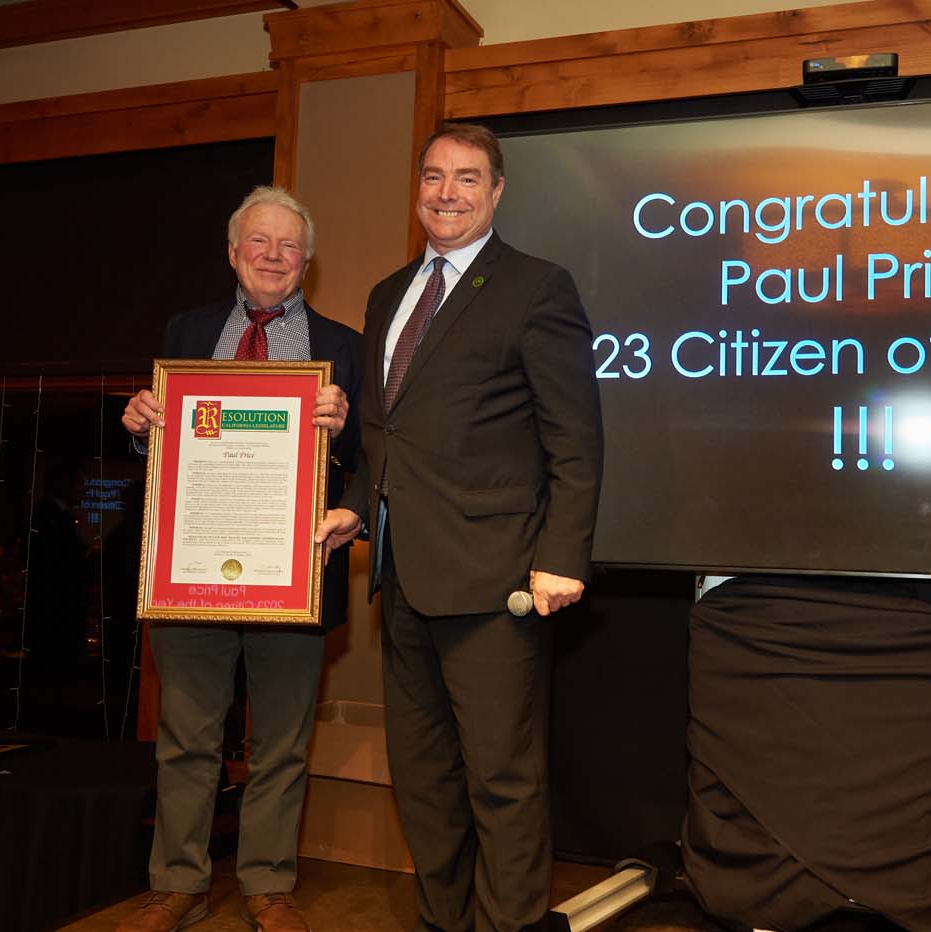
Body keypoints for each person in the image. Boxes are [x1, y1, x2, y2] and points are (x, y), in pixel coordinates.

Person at [315, 123, 603, 932]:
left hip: (498, 579)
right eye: (434, 177)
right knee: (425, 778)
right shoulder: (386, 293)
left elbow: (575, 439)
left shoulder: (536, 287)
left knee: (502, 780)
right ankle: (444, 922)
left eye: (467, 178)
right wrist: (356, 504)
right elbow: (387, 431)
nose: (447, 193)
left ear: (497, 191)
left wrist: (561, 557)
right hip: (402, 578)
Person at [119, 186, 360, 932]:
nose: (275, 256)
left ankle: (267, 886)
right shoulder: (186, 330)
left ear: (308, 261)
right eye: (260, 242)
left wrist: (346, 429)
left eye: (290, 246)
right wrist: (138, 425)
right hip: (191, 572)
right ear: (233, 252)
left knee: (282, 744)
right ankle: (177, 883)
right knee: (187, 738)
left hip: (294, 574)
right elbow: (168, 444)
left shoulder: (343, 345)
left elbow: (372, 453)